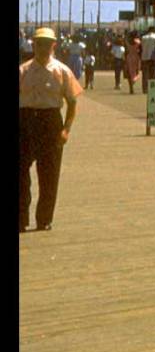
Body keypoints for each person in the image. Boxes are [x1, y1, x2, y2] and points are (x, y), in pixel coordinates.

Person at [20, 28, 82, 232]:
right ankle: (21, 218)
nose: (43, 48)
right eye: (39, 43)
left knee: (49, 174)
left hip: (51, 122)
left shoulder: (62, 71)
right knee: (21, 173)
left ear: (53, 46)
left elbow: (72, 103)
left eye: (47, 44)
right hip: (25, 121)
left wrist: (66, 129)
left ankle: (44, 219)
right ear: (33, 45)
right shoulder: (23, 71)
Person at [140, 26, 155, 92]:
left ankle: (145, 88)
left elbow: (142, 46)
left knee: (145, 73)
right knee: (152, 73)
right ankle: (151, 88)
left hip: (144, 57)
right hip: (153, 58)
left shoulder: (143, 37)